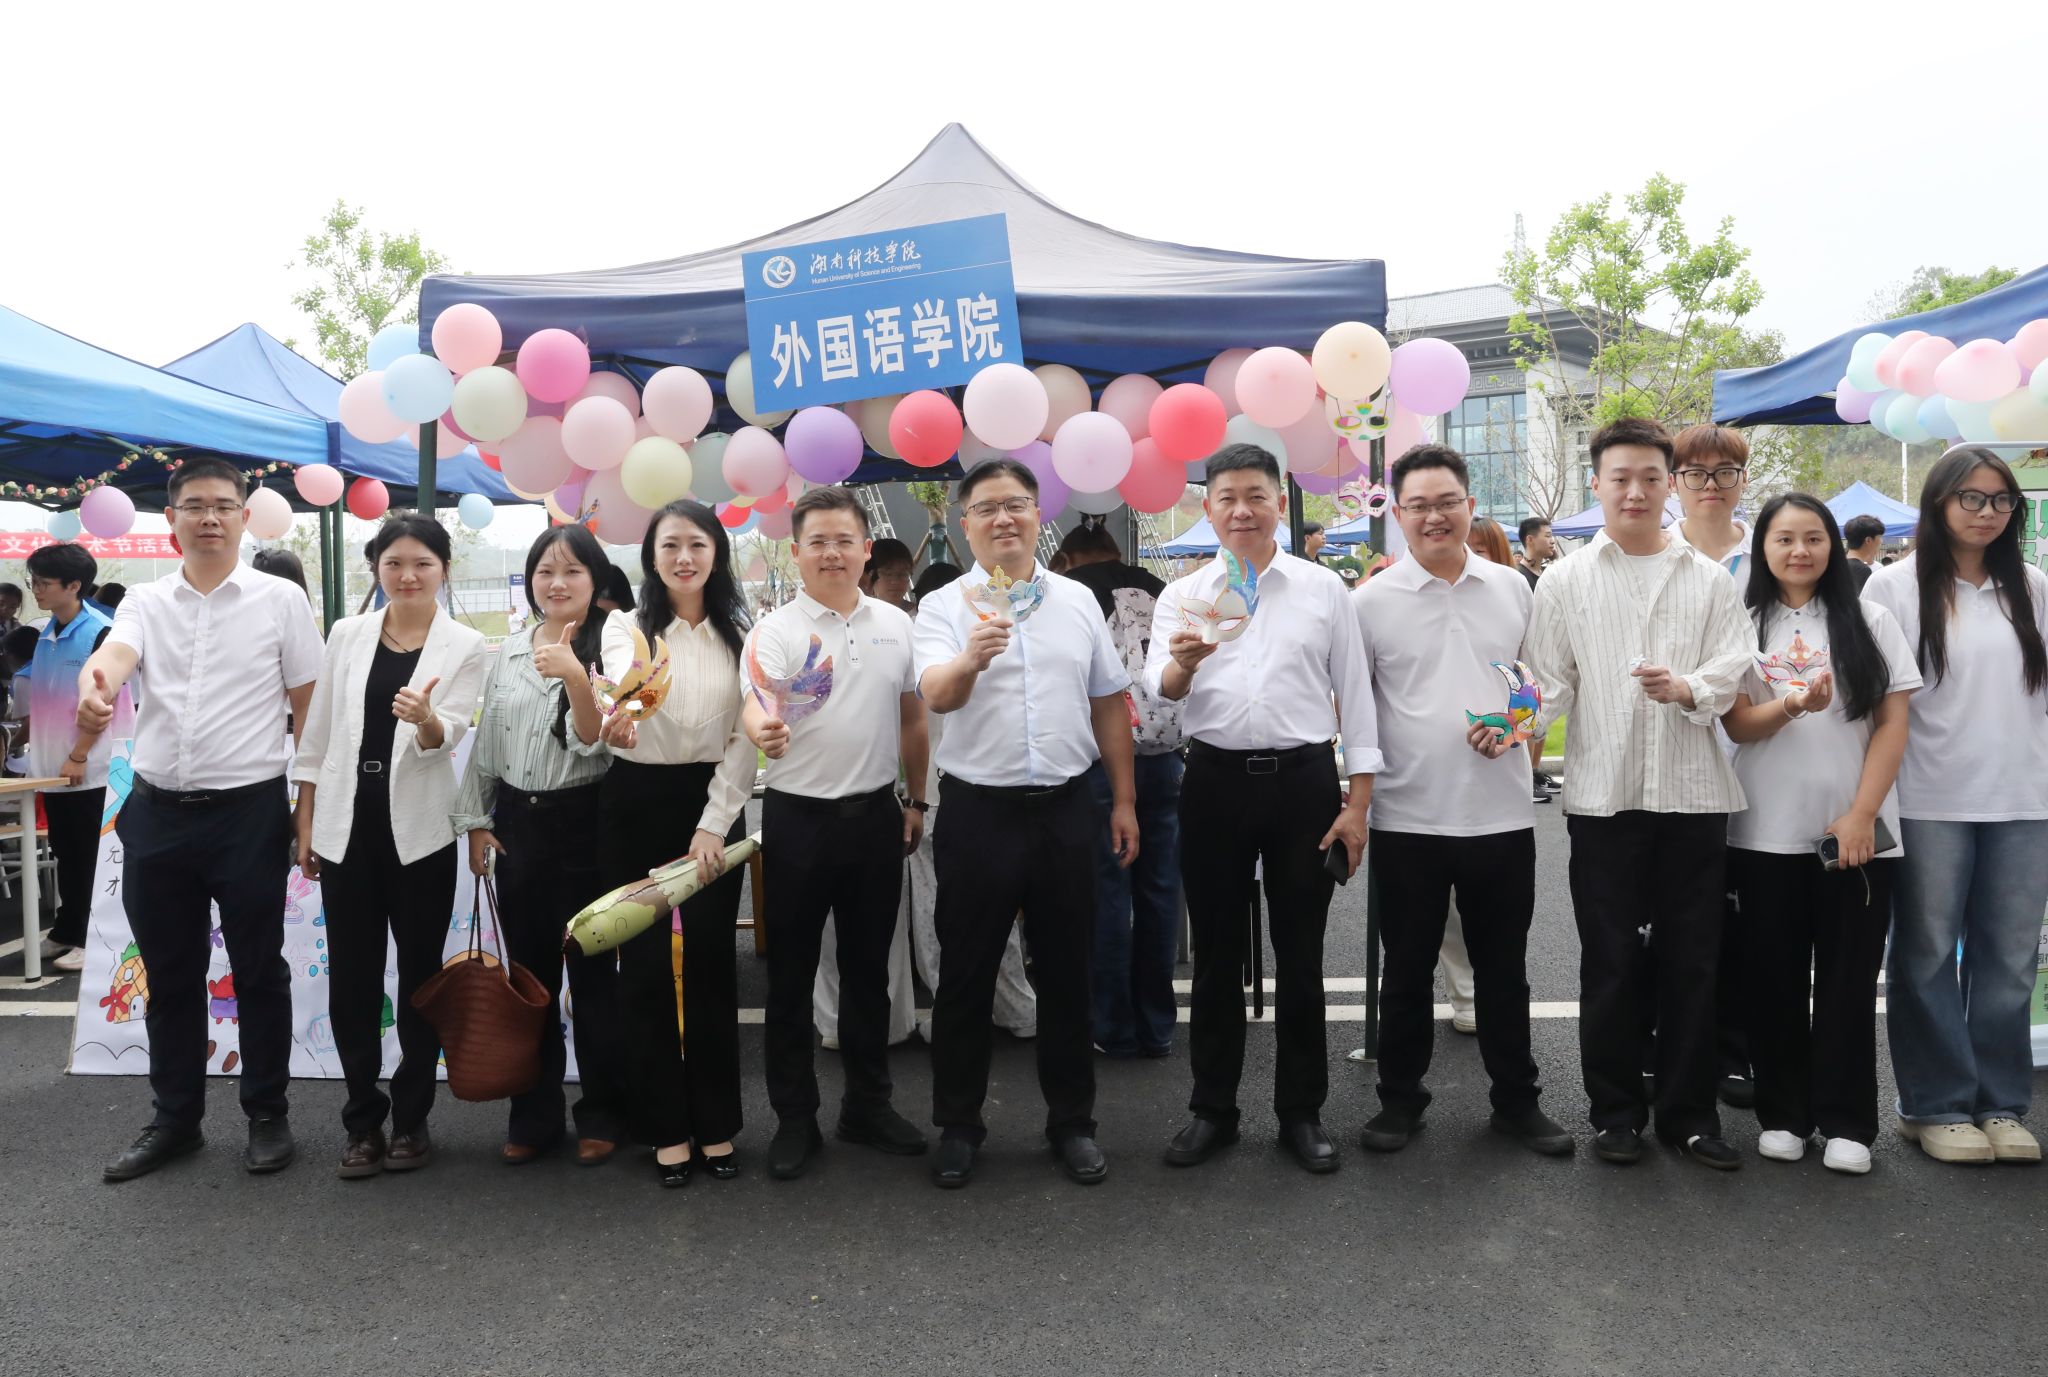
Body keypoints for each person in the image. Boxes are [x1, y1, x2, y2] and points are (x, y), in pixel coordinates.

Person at [76, 458, 323, 1182]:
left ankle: (267, 1113)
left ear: (245, 517)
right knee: (170, 973)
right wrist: (97, 687)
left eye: (222, 505)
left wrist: (305, 811)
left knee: (259, 971)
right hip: (155, 813)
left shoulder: (280, 600)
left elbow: (309, 709)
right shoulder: (145, 602)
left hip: (248, 814)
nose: (209, 517)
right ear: (172, 519)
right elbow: (114, 658)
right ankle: (175, 1119)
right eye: (194, 505)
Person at [1524, 417, 1751, 1170]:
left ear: (1670, 485)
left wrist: (1688, 688)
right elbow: (1548, 684)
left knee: (1694, 960)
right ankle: (1615, 1112)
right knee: (1611, 960)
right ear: (1596, 483)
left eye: (1651, 478)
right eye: (1620, 477)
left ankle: (1689, 1115)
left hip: (1694, 798)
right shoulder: (1565, 581)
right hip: (1603, 799)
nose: (1636, 491)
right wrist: (1512, 728)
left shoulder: (1709, 578)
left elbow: (1734, 666)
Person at [1147, 443, 1378, 1176]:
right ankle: (1212, 1109)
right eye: (1227, 497)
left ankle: (1301, 1112)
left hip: (1303, 782)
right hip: (1213, 780)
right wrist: (1184, 662)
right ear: (1207, 507)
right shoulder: (1184, 595)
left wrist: (1358, 802)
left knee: (1301, 953)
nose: (1241, 510)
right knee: (1216, 954)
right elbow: (1160, 691)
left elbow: (1356, 696)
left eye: (1256, 495)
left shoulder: (1322, 588)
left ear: (1280, 501)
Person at [914, 458, 1138, 1189]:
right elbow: (937, 695)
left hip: (1067, 806)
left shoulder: (1076, 601)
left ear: (1039, 515)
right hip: (978, 810)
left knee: (1068, 970)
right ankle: (958, 1124)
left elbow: (1108, 700)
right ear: (965, 524)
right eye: (986, 508)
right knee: (966, 973)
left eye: (1015, 504)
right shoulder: (943, 606)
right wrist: (971, 659)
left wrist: (1124, 800)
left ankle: (1073, 1122)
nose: (1003, 518)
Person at [1353, 444, 1571, 1157]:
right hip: (1407, 816)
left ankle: (1517, 1101)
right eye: (1418, 505)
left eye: (1447, 501)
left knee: (1504, 970)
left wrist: (1515, 725)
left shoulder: (1512, 588)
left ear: (1470, 506)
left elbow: (1538, 684)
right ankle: (1399, 1101)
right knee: (1406, 971)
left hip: (1500, 816)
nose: (1434, 516)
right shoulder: (1370, 602)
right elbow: (1355, 706)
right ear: (1398, 513)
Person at [1721, 493, 1916, 1175]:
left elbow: (1893, 722)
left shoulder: (1870, 618)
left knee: (1847, 980)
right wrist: (1794, 704)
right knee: (1770, 978)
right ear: (1762, 548)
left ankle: (1847, 1121)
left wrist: (1862, 813)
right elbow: (1737, 723)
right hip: (1761, 831)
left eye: (1813, 537)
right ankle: (1783, 1114)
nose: (1799, 551)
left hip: (1853, 835)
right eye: (1784, 539)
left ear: (1832, 545)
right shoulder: (1740, 621)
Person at [1864, 445, 2048, 1166]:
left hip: (2024, 799)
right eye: (1971, 497)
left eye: (2001, 500)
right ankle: (1935, 1104)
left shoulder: (2030, 587)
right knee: (1927, 953)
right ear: (1938, 502)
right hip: (1929, 798)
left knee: (2010, 959)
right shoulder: (1893, 587)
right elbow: (1877, 705)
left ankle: (2000, 1102)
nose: (1986, 512)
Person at [740, 487, 929, 1180]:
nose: (831, 553)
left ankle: (867, 1105)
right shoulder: (775, 630)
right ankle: (795, 1118)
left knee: (868, 974)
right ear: (796, 551)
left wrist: (917, 799)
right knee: (789, 979)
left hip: (876, 817)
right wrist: (764, 730)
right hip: (797, 821)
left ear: (865, 549)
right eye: (817, 541)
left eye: (844, 540)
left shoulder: (895, 624)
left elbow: (913, 718)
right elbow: (756, 703)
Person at [293, 514, 486, 1178]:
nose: (408, 575)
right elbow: (317, 735)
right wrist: (305, 822)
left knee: (421, 979)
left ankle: (411, 1118)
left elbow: (447, 736)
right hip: (346, 826)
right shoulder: (347, 634)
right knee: (352, 978)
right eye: (394, 563)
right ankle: (361, 1121)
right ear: (375, 568)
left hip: (420, 832)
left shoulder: (465, 644)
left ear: (444, 570)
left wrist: (427, 718)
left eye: (422, 563)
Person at [454, 524, 625, 1166]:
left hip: (585, 823)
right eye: (545, 571)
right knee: (529, 976)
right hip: (517, 825)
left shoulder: (614, 648)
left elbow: (594, 741)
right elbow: (489, 740)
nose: (557, 583)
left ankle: (603, 1111)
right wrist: (476, 819)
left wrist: (577, 675)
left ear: (595, 580)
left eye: (572, 571)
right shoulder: (508, 651)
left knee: (594, 976)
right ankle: (534, 1115)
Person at [599, 500, 755, 1188]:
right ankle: (665, 1127)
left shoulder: (742, 633)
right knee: (645, 968)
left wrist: (714, 823)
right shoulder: (626, 627)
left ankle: (716, 1124)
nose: (684, 557)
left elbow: (746, 736)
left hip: (714, 803)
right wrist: (620, 717)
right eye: (670, 546)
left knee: (713, 961)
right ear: (652, 557)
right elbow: (620, 693)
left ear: (716, 553)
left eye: (697, 544)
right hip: (636, 802)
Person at [827, 562, 1036, 1049]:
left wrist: (912, 798)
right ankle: (1018, 1008)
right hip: (985, 793)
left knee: (938, 913)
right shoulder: (994, 634)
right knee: (994, 913)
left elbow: (906, 724)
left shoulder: (921, 639)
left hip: (935, 797)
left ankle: (952, 1012)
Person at [1059, 521, 1185, 1060]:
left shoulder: (1069, 595)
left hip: (1101, 761)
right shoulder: (1160, 589)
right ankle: (1157, 1025)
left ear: (1070, 559)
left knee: (1107, 891)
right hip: (1165, 756)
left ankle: (1111, 1024)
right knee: (1160, 890)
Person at [1664, 423, 1758, 1110]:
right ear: (1675, 483)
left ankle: (1734, 1051)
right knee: (1671, 922)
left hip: (1761, 757)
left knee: (1744, 922)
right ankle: (1663, 1052)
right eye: (1695, 473)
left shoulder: (1771, 554)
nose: (1710, 485)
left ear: (1742, 481)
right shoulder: (1651, 553)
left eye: (1725, 472)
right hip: (1678, 763)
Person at [24, 542, 134, 973]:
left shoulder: (102, 633)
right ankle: (68, 929)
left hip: (92, 767)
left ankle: (94, 938)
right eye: (33, 581)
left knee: (93, 856)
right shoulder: (46, 633)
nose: (36, 589)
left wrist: (79, 754)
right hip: (54, 769)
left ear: (74, 586)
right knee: (66, 853)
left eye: (43, 582)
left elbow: (102, 703)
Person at [859, 537, 916, 614]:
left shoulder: (921, 616)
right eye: (888, 574)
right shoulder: (858, 614)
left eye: (902, 574)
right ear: (870, 575)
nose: (895, 581)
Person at [1842, 515, 1885, 591]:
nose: (1882, 541)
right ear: (1868, 540)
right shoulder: (1862, 570)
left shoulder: (1837, 564)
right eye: (1880, 537)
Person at [1516, 518, 1555, 590]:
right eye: (1548, 536)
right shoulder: (1518, 576)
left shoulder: (1548, 574)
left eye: (1551, 536)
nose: (1553, 541)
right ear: (1530, 539)